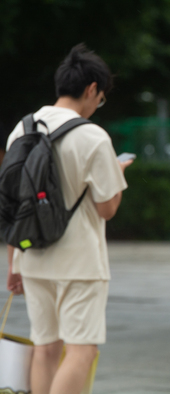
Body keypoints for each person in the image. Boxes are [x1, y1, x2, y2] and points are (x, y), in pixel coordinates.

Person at [5, 44, 131, 394]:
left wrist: (13, 261)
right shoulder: (92, 136)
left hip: (32, 256)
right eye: (100, 98)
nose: (97, 105)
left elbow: (16, 204)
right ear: (92, 89)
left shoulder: (22, 129)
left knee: (45, 349)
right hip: (80, 263)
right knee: (81, 352)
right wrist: (118, 174)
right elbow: (107, 208)